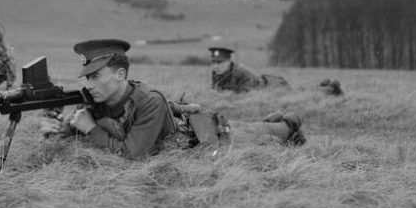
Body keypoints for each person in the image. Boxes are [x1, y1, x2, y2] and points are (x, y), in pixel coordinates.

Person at [40, 39, 305, 159]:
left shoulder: (149, 101)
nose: (89, 84)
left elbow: (132, 154)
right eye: (86, 77)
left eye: (96, 76)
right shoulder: (93, 99)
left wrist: (90, 129)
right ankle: (277, 122)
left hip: (200, 139)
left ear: (120, 74)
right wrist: (62, 128)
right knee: (252, 129)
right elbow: (86, 131)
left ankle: (289, 124)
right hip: (190, 128)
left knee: (258, 134)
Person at [209, 47, 289, 93]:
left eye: (219, 62)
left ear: (229, 62)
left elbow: (244, 96)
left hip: (271, 86)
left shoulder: (242, 73)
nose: (216, 66)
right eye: (214, 62)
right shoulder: (216, 73)